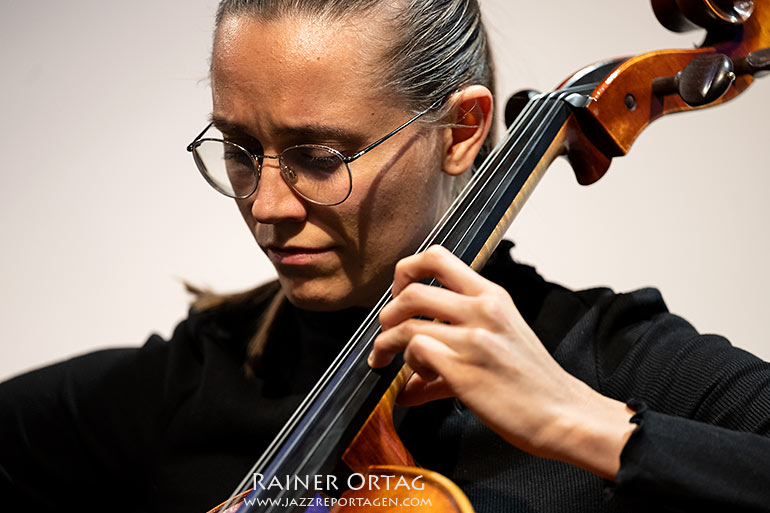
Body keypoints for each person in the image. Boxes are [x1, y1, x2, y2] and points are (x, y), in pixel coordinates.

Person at [1, 0, 769, 512]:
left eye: (320, 155)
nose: (266, 205)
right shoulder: (203, 375)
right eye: (240, 149)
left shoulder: (607, 359)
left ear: (463, 131)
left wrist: (585, 423)